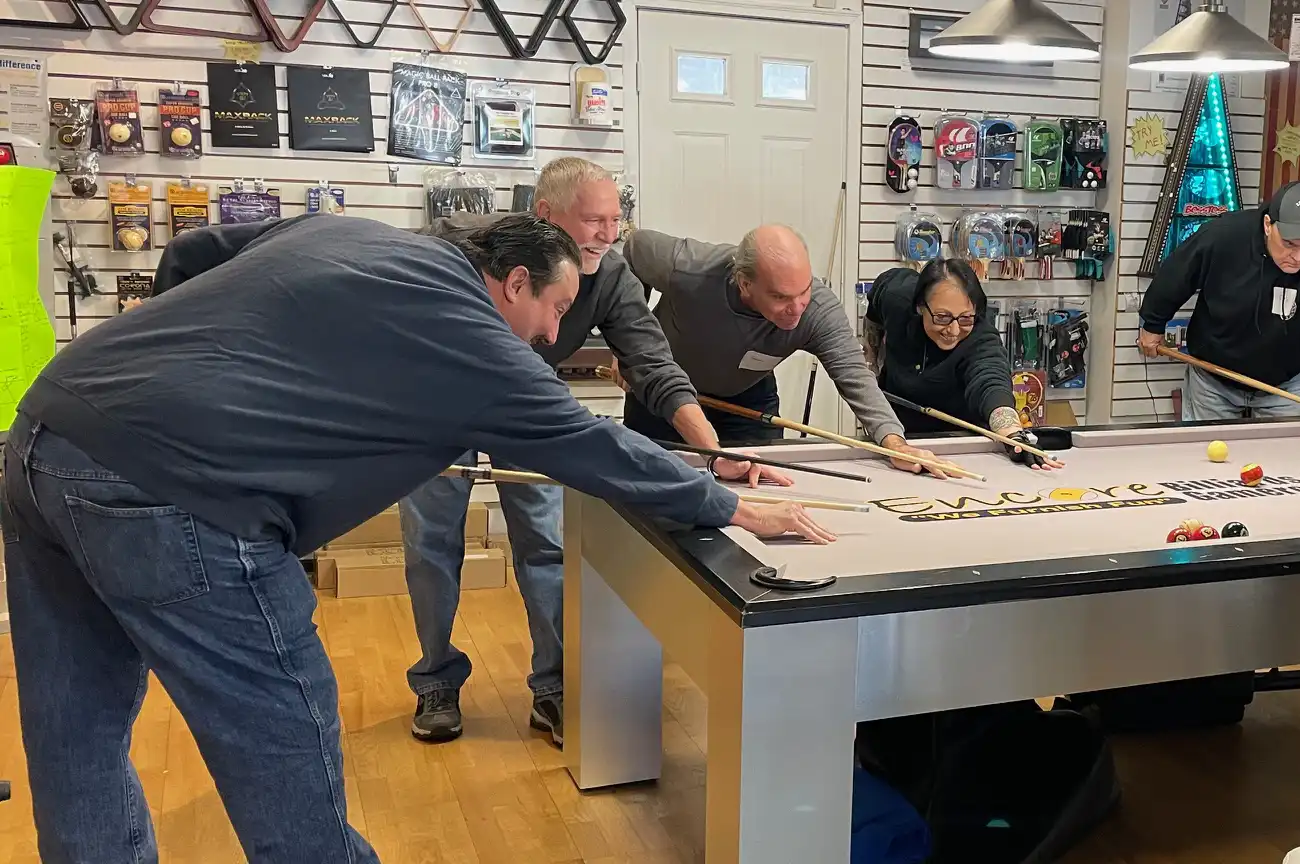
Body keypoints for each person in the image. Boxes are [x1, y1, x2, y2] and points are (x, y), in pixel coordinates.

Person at [2, 212, 832, 863]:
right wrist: (726, 505)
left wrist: (181, 367)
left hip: (45, 431)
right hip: (173, 494)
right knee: (285, 735)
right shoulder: (474, 334)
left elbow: (191, 253)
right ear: (513, 281)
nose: (552, 337)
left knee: (76, 732)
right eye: (553, 311)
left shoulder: (348, 233)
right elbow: (589, 444)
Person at [399, 158, 721, 748]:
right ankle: (436, 682)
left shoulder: (612, 273)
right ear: (544, 213)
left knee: (547, 543)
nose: (607, 234)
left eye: (616, 220)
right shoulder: (457, 244)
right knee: (431, 546)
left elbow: (653, 364)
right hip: (434, 401)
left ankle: (553, 686)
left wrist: (713, 452)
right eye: (594, 220)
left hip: (526, 403)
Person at [617, 224, 949, 477]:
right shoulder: (688, 267)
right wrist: (629, 348)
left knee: (758, 482)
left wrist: (894, 442)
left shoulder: (817, 310)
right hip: (663, 396)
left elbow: (855, 376)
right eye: (780, 297)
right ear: (744, 283)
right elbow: (633, 250)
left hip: (745, 401)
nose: (797, 307)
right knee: (650, 490)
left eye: (803, 290)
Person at [1136, 180, 1300, 436]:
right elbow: (1177, 274)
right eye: (1290, 244)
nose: (1299, 257)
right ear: (1268, 225)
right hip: (1214, 378)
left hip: (1287, 386)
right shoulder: (1226, 235)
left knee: (1283, 460)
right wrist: (1153, 323)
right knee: (1207, 454)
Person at [862, 259, 1058, 469]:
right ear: (920, 306)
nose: (954, 331)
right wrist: (870, 366)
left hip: (958, 444)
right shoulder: (897, 296)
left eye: (965, 318)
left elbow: (991, 382)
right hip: (893, 437)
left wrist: (1014, 436)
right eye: (942, 317)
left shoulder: (980, 339)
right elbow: (876, 304)